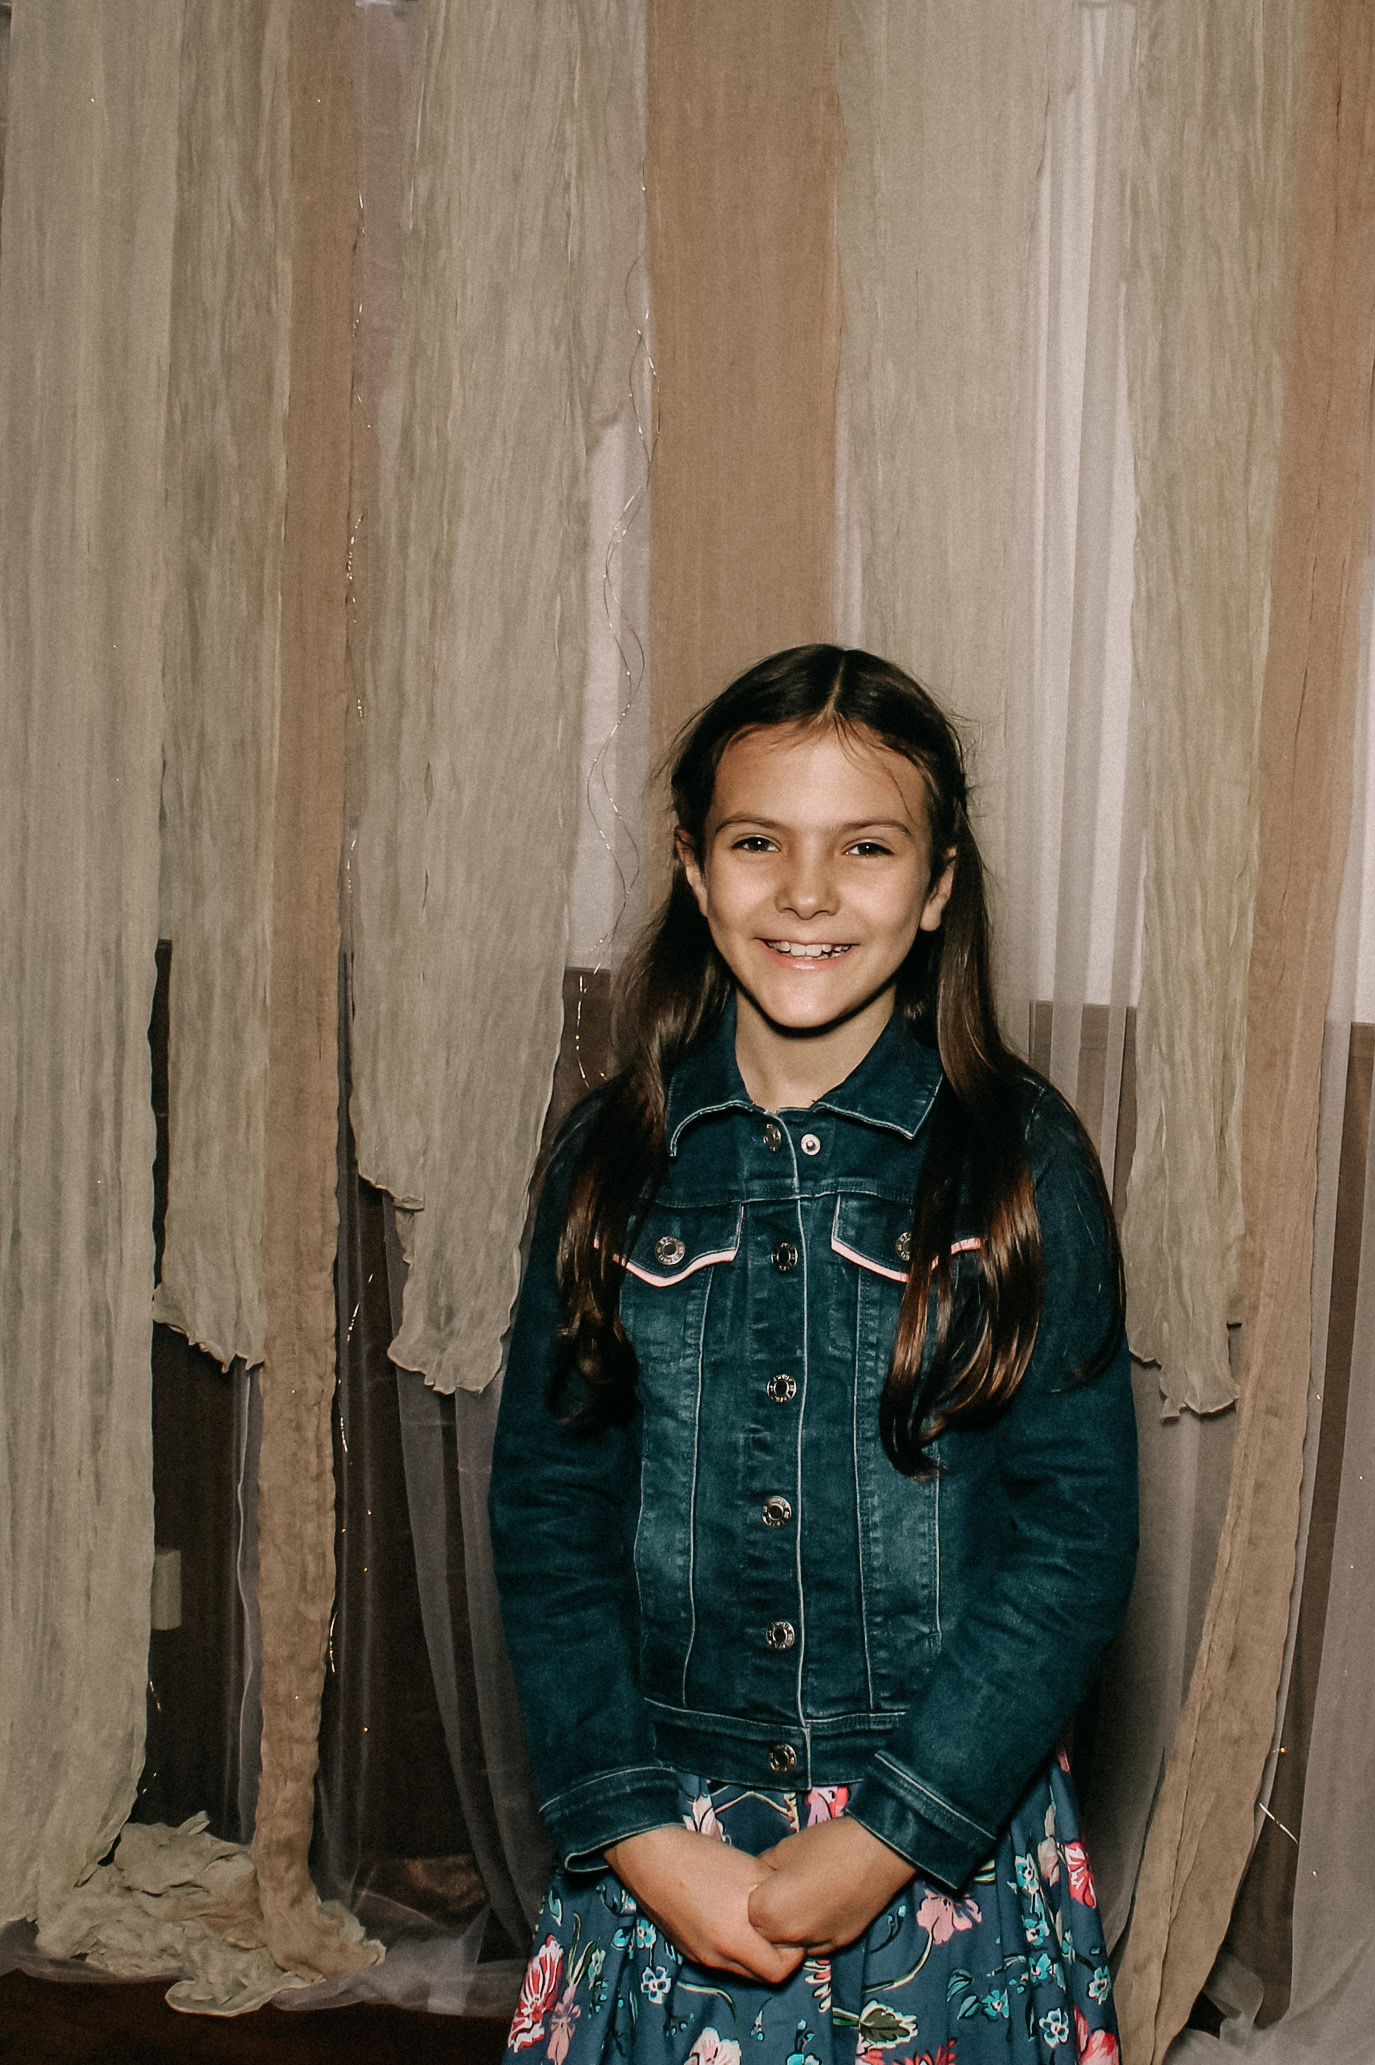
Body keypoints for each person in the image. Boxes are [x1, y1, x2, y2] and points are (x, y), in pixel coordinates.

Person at [489, 645, 1139, 2065]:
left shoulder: (1022, 1166)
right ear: (692, 863)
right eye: (757, 842)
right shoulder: (606, 1163)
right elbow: (548, 1518)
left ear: (940, 882)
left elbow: (1073, 1543)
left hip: (939, 1849)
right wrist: (637, 1831)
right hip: (670, 1840)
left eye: (865, 846)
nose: (805, 891)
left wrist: (893, 1834)